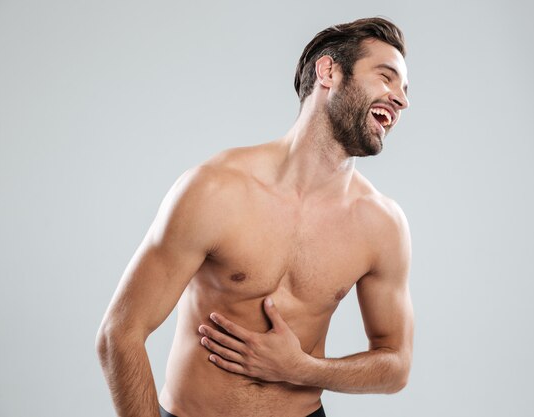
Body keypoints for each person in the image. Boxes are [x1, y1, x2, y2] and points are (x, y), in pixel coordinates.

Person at [96, 16, 413, 417]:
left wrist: (303, 369)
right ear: (329, 71)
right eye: (387, 77)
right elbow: (119, 334)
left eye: (404, 89)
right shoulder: (215, 190)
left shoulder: (382, 224)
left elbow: (395, 365)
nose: (401, 99)